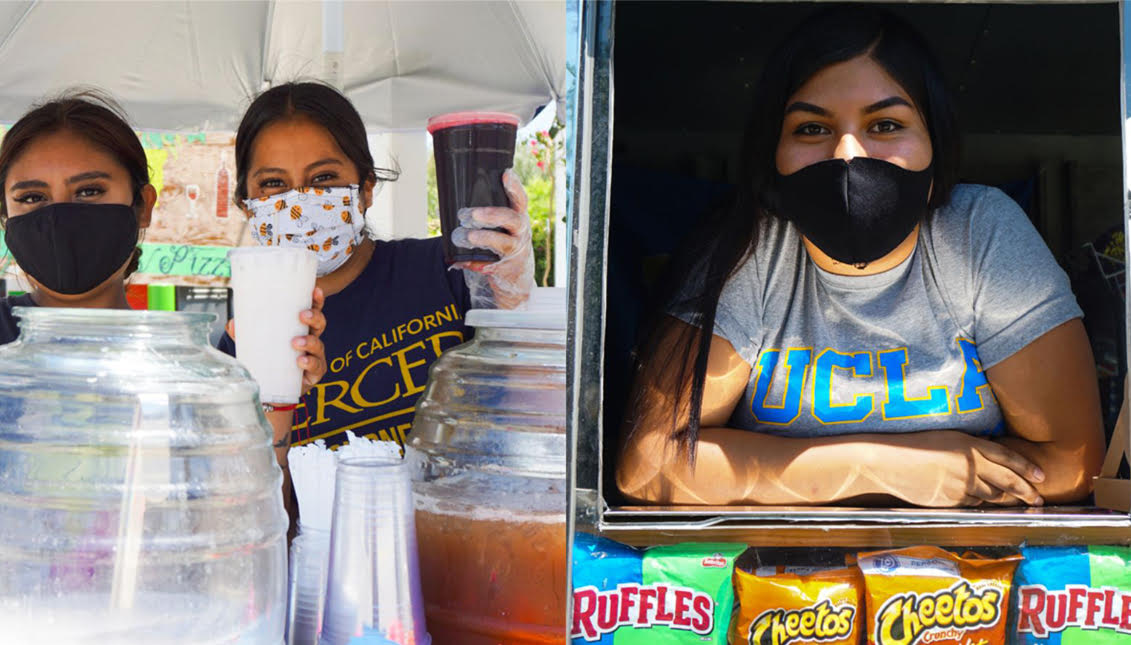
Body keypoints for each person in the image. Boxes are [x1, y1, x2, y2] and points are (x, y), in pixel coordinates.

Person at [616, 6, 1106, 508]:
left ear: (935, 146)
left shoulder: (979, 232)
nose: (848, 154)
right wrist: (887, 468)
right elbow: (651, 464)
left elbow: (1074, 464)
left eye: (886, 124)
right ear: (772, 155)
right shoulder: (751, 246)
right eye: (811, 128)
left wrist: (773, 474)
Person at [0, 91, 328, 483]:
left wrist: (274, 397)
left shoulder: (185, 372)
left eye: (89, 191)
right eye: (32, 197)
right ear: (5, 217)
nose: (59, 217)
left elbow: (243, 521)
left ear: (143, 206)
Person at [224, 82, 535, 450]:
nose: (300, 201)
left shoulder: (447, 271)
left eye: (323, 178)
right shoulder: (248, 340)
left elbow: (525, 401)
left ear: (366, 188)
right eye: (273, 183)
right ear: (248, 205)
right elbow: (263, 496)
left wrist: (513, 300)